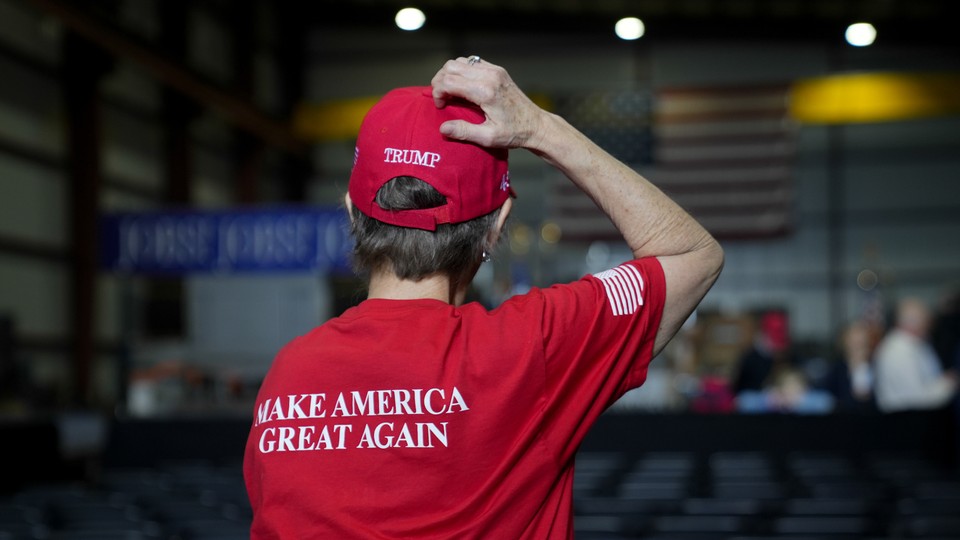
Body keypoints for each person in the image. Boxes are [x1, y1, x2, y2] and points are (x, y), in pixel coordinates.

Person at [243, 56, 723, 539]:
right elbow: (692, 254)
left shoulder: (288, 373)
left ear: (351, 211)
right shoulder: (529, 348)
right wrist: (540, 129)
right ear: (496, 225)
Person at [874, 296, 958, 413]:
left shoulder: (916, 344)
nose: (930, 324)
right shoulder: (898, 351)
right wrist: (949, 383)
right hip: (907, 421)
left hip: (918, 418)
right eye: (926, 320)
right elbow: (917, 398)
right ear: (914, 322)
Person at [821, 320, 877, 413]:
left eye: (861, 343)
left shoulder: (877, 368)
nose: (858, 346)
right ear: (844, 344)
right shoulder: (836, 371)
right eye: (854, 343)